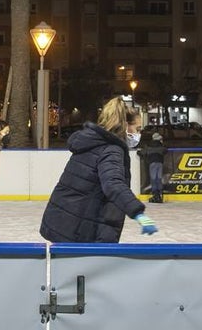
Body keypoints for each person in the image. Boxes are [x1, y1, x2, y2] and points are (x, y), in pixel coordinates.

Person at [40, 96, 159, 243]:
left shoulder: (93, 141)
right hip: (80, 227)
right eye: (137, 129)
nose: (138, 134)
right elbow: (113, 184)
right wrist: (138, 213)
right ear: (125, 125)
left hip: (65, 221)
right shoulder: (111, 149)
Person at [139, 133, 166, 203]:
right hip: (160, 163)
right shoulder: (161, 146)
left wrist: (141, 153)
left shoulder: (149, 146)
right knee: (159, 178)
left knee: (153, 178)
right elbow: (165, 151)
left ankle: (155, 194)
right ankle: (160, 194)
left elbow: (142, 152)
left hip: (152, 163)